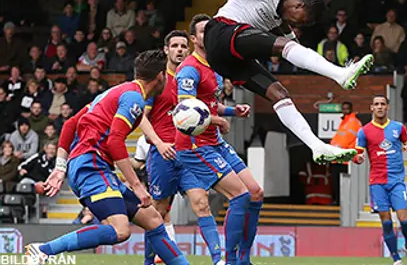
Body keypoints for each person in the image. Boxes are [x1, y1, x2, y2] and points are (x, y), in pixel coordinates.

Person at [190, 0, 373, 164]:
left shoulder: (282, 22)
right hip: (220, 33)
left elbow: (298, 52)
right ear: (299, 5)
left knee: (280, 94)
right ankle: (341, 74)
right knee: (284, 46)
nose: (299, 25)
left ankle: (317, 146)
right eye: (303, 20)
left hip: (227, 62)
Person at [25, 50, 189, 265]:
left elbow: (70, 124)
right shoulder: (134, 98)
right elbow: (114, 141)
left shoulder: (116, 92)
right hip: (91, 165)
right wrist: (136, 186)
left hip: (92, 165)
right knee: (121, 230)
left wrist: (59, 167)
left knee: (153, 220)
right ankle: (44, 250)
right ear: (160, 76)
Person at [137, 30, 226, 265]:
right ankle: (148, 262)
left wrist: (222, 117)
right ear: (166, 50)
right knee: (157, 212)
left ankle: (218, 260)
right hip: (162, 154)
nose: (180, 50)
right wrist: (158, 142)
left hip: (189, 152)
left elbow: (207, 110)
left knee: (202, 203)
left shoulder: (192, 78)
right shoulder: (155, 81)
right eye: (175, 46)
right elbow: (141, 118)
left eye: (183, 46)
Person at [176, 22, 258, 264]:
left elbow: (209, 104)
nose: (208, 35)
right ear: (193, 38)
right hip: (194, 145)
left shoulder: (214, 65)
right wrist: (216, 120)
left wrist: (232, 111)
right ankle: (230, 260)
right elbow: (184, 111)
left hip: (214, 141)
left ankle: (243, 259)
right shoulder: (189, 69)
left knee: (255, 193)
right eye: (203, 32)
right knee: (240, 195)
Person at [353, 95, 407, 265]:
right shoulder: (364, 131)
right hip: (377, 182)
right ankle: (396, 259)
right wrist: (358, 158)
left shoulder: (398, 127)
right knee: (387, 222)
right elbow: (357, 153)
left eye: (383, 104)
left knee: (405, 219)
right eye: (376, 104)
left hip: (397, 180)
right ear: (372, 108)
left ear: (387, 107)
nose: (380, 107)